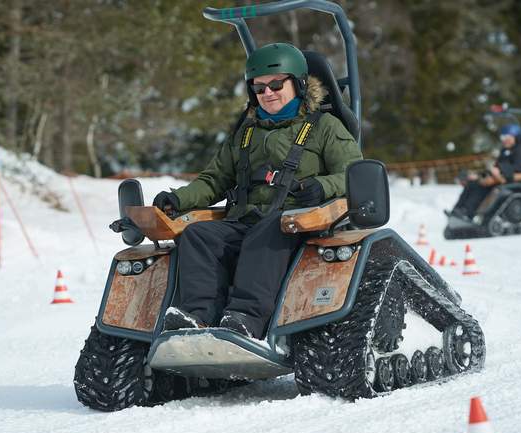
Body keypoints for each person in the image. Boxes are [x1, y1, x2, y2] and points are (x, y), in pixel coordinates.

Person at [151, 43, 362, 339]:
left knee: (268, 230)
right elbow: (214, 179)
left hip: (299, 224)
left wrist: (321, 186)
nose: (268, 93)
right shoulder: (246, 132)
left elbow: (353, 174)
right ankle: (198, 318)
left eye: (276, 84)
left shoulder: (325, 127)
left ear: (299, 84)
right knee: (199, 235)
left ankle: (246, 319)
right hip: (246, 221)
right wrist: (177, 199)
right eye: (259, 88)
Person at [448, 123, 521, 220]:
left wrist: (500, 169)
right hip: (498, 177)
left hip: (512, 179)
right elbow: (496, 168)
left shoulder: (520, 150)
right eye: (502, 137)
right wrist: (479, 174)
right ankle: (458, 209)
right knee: (472, 183)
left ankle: (468, 212)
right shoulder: (505, 151)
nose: (504, 140)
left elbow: (519, 167)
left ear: (515, 137)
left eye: (507, 137)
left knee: (481, 186)